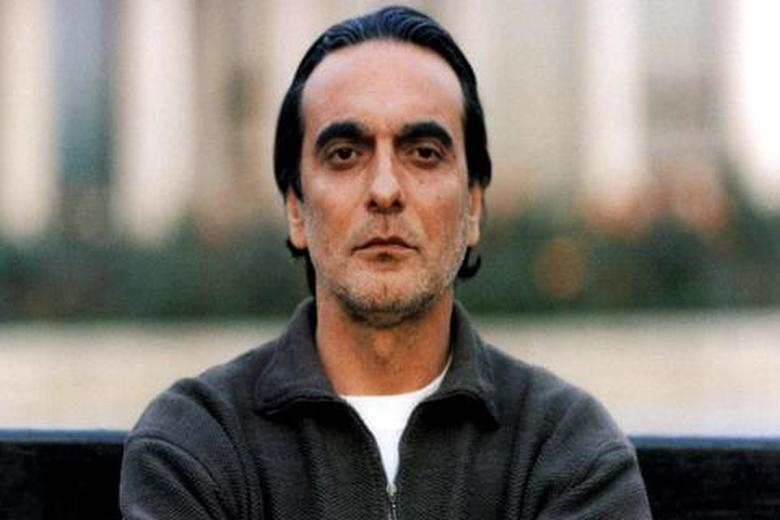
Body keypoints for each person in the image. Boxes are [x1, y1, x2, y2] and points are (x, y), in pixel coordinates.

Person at [120, 6, 651, 519]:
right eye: (345, 154)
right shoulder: (198, 442)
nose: (385, 190)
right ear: (296, 210)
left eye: (423, 153)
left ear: (473, 207)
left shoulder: (564, 447)